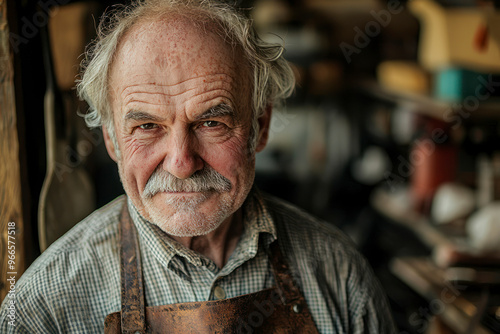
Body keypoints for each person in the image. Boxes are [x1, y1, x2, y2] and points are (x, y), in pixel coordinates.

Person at [0, 0, 396, 332]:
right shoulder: (44, 308)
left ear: (260, 126)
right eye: (147, 126)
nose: (181, 163)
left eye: (211, 123)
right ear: (112, 140)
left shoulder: (338, 274)